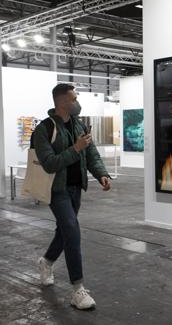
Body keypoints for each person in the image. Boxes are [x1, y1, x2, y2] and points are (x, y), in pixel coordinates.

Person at [32, 83, 112, 310]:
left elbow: (92, 154)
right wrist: (75, 149)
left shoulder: (78, 125)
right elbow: (49, 164)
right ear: (62, 102)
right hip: (57, 191)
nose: (77, 102)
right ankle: (77, 289)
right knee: (72, 230)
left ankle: (46, 262)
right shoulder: (44, 130)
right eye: (74, 99)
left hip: (76, 188)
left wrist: (102, 174)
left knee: (65, 230)